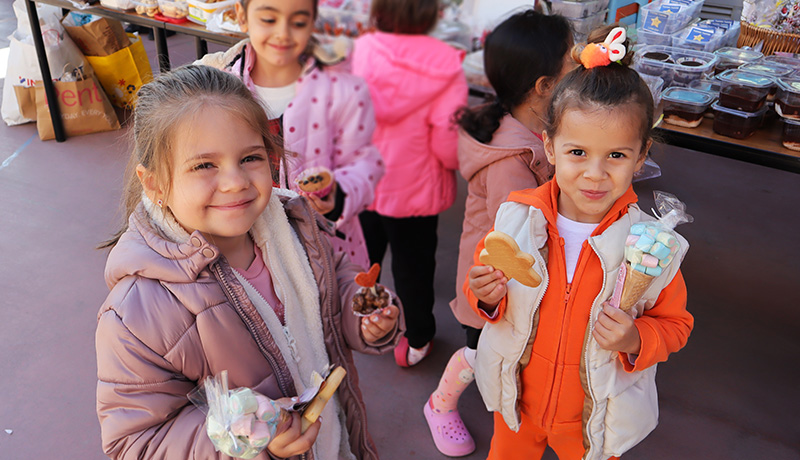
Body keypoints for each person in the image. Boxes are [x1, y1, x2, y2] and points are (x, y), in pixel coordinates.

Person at [95, 65, 403, 460]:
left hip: (332, 443)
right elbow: (137, 442)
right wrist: (248, 443)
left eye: (250, 157)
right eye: (204, 165)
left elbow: (336, 275)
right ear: (154, 183)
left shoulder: (296, 226)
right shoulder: (136, 314)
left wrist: (361, 313)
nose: (236, 181)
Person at [466, 27, 694, 460]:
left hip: (596, 418)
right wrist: (485, 296)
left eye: (616, 155)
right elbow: (484, 284)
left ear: (641, 155)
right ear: (549, 146)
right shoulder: (516, 217)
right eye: (577, 153)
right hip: (517, 404)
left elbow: (676, 325)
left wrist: (635, 339)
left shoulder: (652, 245)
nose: (594, 173)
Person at [422, 10, 575, 457]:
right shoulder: (512, 160)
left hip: (514, 278)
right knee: (480, 354)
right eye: (571, 59)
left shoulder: (531, 125)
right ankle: (439, 404)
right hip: (493, 282)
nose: (580, 63)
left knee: (505, 354)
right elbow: (524, 236)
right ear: (545, 86)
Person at [196, 0, 383, 270]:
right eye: (269, 20)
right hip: (252, 253)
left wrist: (339, 196)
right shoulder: (219, 93)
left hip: (331, 250)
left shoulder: (342, 88)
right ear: (242, 15)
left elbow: (365, 163)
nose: (283, 33)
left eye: (297, 21)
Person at [350, 0, 468, 368]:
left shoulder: (364, 48)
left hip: (366, 180)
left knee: (362, 257)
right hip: (414, 190)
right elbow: (447, 148)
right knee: (413, 266)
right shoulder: (447, 65)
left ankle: (359, 322)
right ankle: (417, 339)